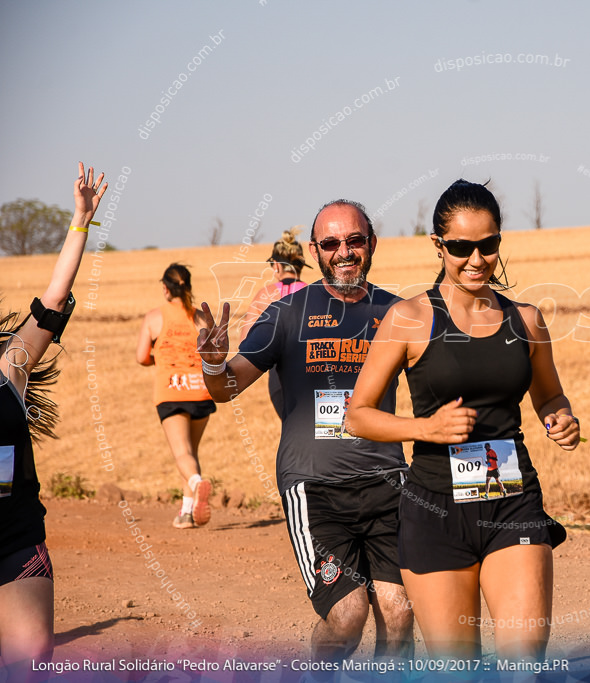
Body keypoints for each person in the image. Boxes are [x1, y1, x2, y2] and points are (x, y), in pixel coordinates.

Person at [346, 179, 581, 660]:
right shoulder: (410, 319)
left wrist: (562, 417)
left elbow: (550, 394)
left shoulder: (527, 320)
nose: (476, 259)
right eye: (460, 247)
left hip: (512, 502)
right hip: (435, 512)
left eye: (488, 245)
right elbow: (358, 416)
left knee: (525, 663)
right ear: (438, 245)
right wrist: (423, 428)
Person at [194, 199, 413, 660]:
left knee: (400, 610)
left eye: (354, 240)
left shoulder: (398, 314)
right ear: (314, 250)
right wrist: (213, 364)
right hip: (315, 489)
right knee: (348, 615)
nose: (344, 252)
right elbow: (226, 388)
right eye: (331, 243)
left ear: (371, 243)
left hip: (387, 482)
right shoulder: (287, 313)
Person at [0, 163, 107, 679]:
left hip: (12, 537)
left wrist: (81, 220)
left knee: (30, 657)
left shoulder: (8, 373)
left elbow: (53, 302)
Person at [137, 264, 216, 529]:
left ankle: (196, 483)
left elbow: (141, 357)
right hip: (202, 392)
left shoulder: (154, 317)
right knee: (191, 453)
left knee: (182, 453)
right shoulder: (202, 317)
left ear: (165, 288)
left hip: (171, 392)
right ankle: (187, 513)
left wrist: (158, 358)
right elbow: (213, 356)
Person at [238, 227, 309, 419]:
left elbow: (245, 343)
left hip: (280, 376)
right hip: (315, 372)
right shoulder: (315, 293)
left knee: (291, 430)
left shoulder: (264, 295)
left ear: (276, 266)